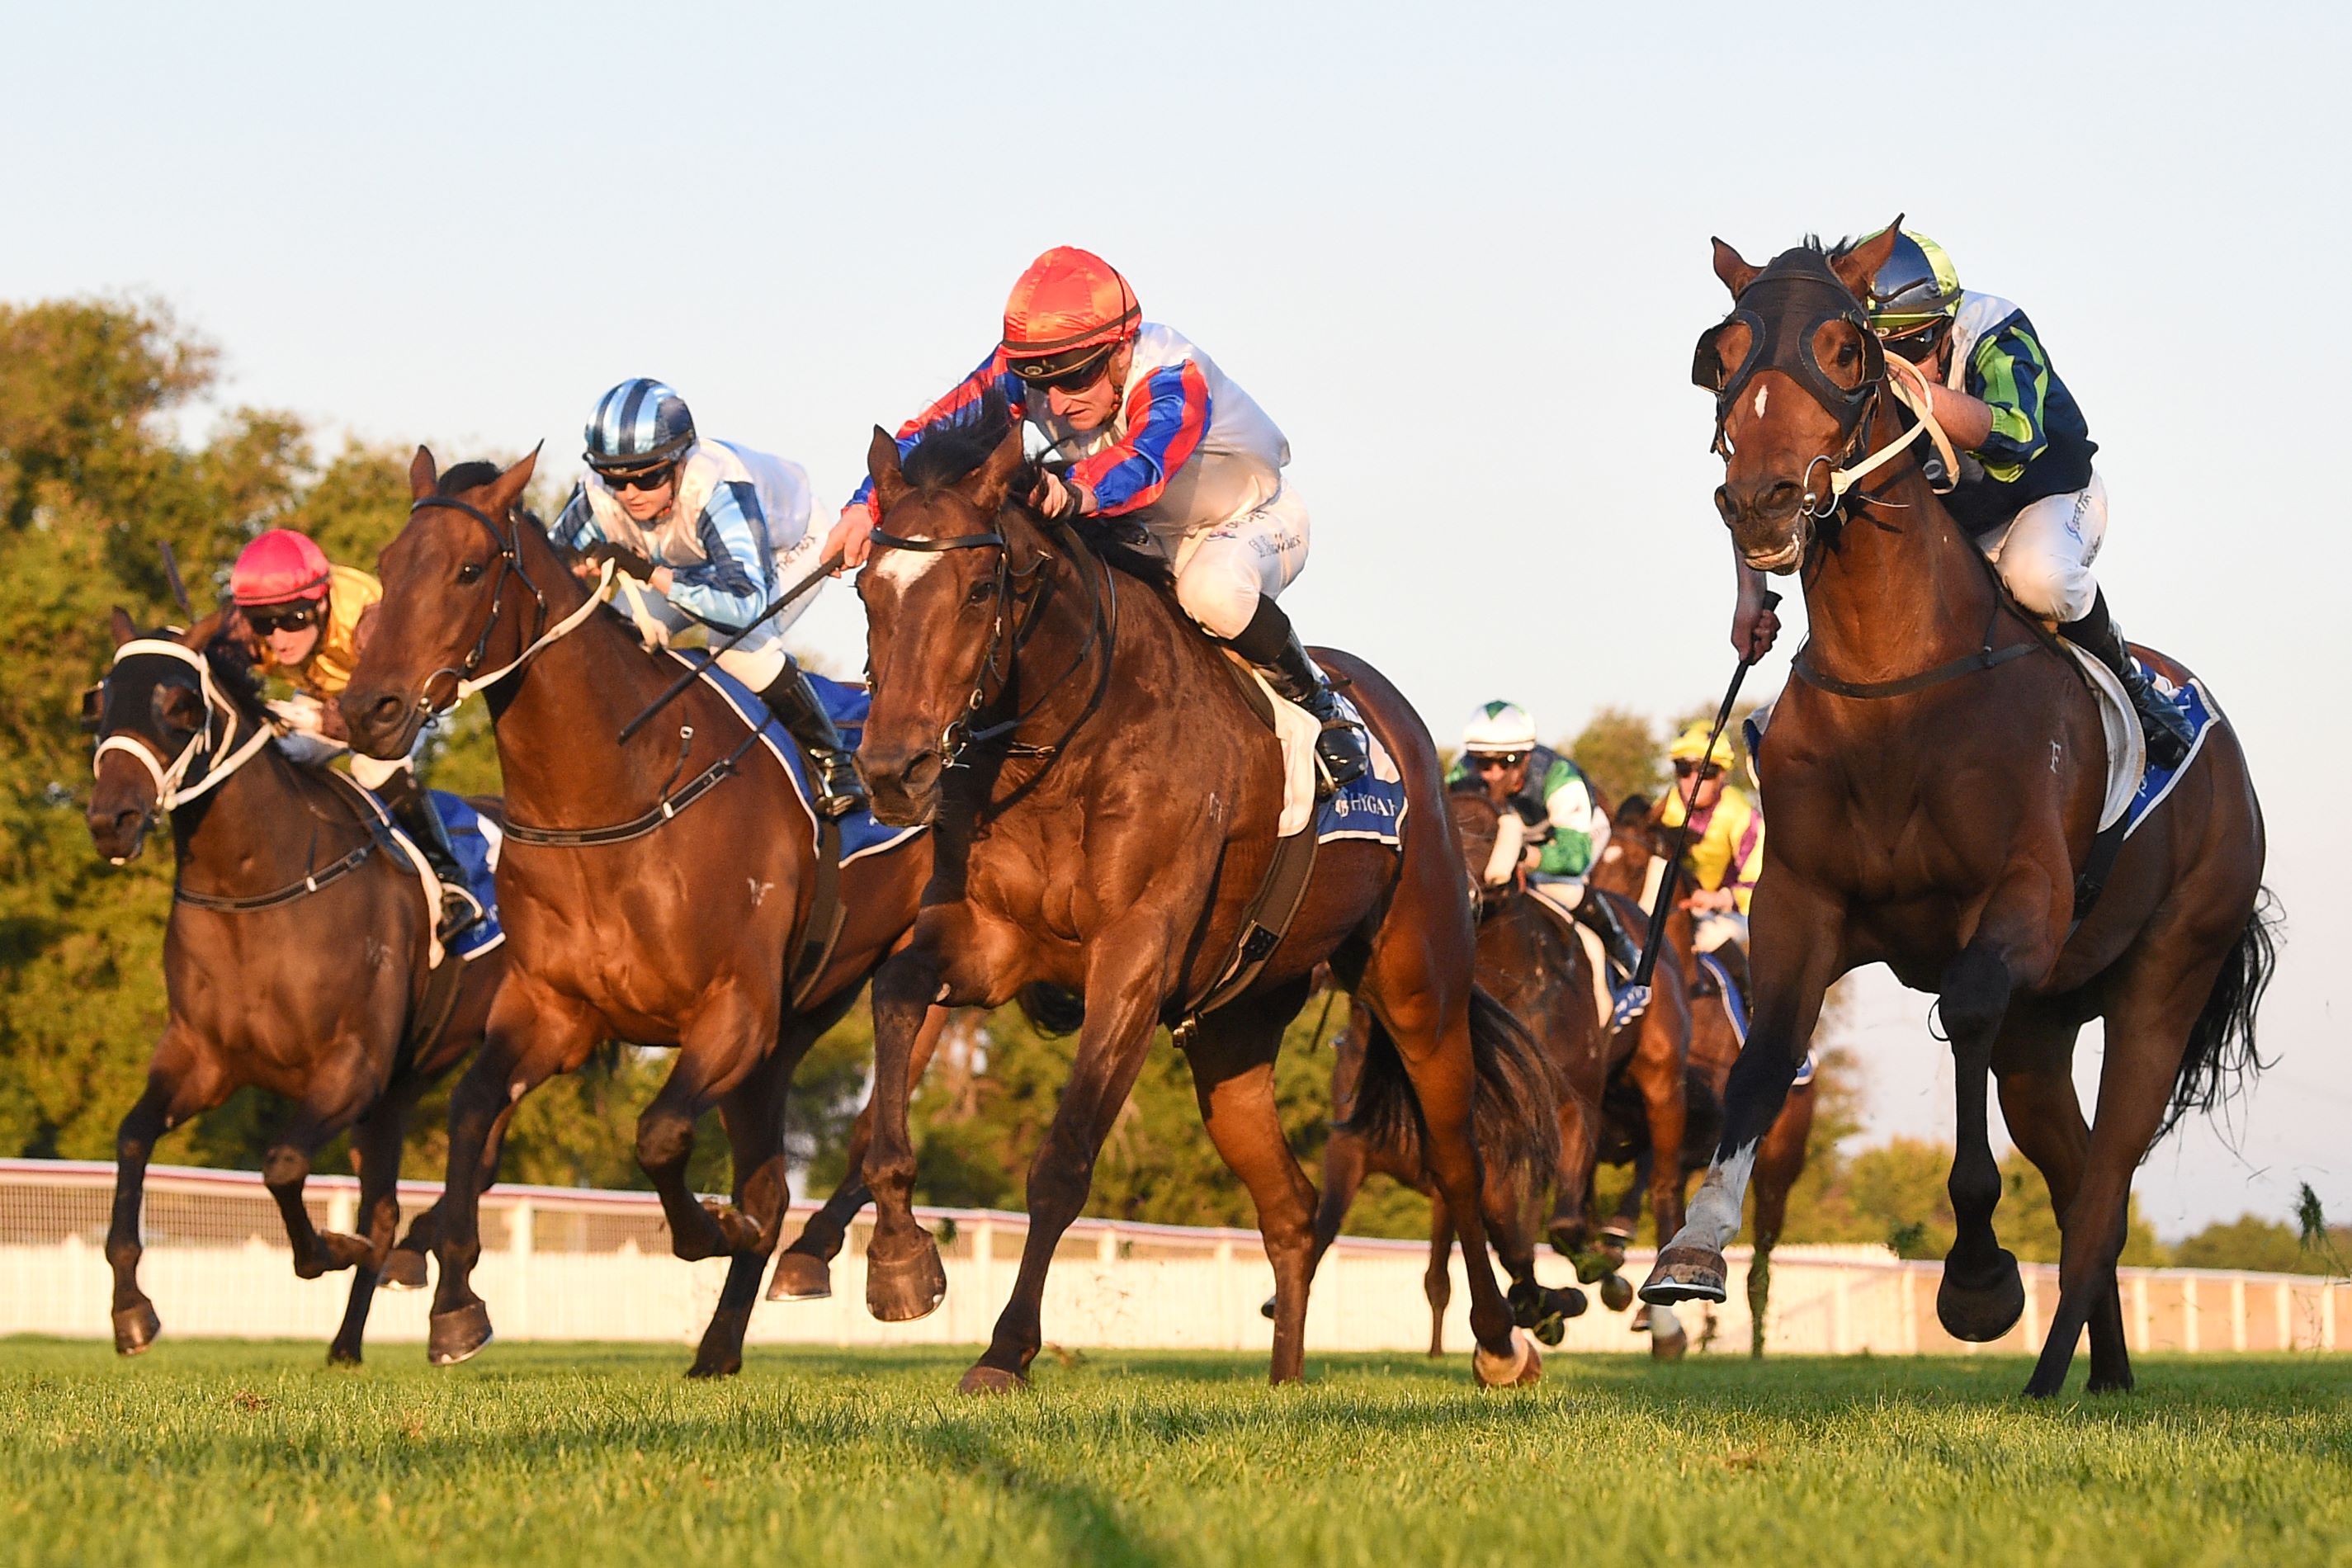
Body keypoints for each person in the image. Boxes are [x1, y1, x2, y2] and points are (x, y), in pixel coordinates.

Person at [824, 245, 1368, 786]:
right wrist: (862, 508)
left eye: (1076, 379)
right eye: (1042, 384)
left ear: (1120, 349)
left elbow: (1147, 461)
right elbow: (929, 431)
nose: (1057, 403)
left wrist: (1077, 491)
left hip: (1248, 518)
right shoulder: (1025, 370)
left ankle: (1317, 702)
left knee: (1212, 595)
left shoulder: (1174, 372)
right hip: (1138, 529)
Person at [1728, 227, 2194, 767]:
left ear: (1948, 322)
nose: (1901, 362)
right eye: (1882, 352)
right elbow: (1773, 473)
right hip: (1950, 515)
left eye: (1917, 345)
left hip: (2043, 496)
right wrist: (1750, 594)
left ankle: (2131, 686)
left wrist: (1905, 380)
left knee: (2035, 578)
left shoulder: (1995, 328)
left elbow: (2014, 440)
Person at [550, 379, 863, 817]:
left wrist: (647, 573)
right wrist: (574, 568)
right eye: (614, 478)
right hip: (691, 562)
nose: (630, 494)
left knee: (734, 648)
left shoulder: (716, 485)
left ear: (679, 462)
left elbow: (745, 605)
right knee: (617, 638)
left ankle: (833, 762)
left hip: (781, 547)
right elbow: (548, 566)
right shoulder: (598, 496)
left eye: (647, 476)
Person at [229, 527, 483, 942]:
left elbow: (373, 718)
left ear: (321, 602)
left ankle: (450, 879)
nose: (278, 638)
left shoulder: (368, 621)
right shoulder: (250, 634)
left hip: (395, 699)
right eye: (264, 623)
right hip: (325, 697)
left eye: (293, 620)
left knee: (371, 765)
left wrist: (320, 721)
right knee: (268, 761)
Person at [1449, 701, 1651, 1028]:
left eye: (1506, 761)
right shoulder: (1461, 774)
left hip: (1571, 837)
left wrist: (1525, 859)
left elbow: (1575, 857)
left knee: (1562, 889)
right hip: (1507, 841)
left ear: (1526, 757)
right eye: (1483, 762)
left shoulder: (1559, 777)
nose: (1493, 773)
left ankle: (1623, 954)